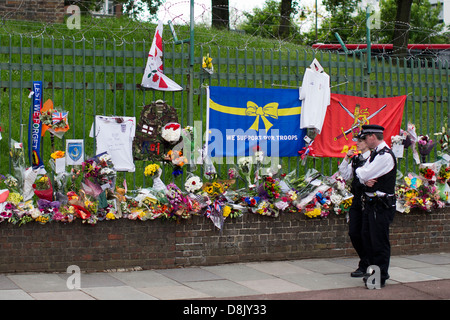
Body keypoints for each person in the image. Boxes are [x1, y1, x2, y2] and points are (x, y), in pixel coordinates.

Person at [355, 124, 397, 288]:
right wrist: (364, 177)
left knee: (379, 241)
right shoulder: (375, 155)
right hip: (371, 203)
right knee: (368, 239)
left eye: (364, 138)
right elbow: (360, 173)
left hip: (381, 205)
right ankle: (373, 272)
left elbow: (363, 173)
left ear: (372, 136)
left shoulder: (384, 156)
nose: (363, 141)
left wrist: (364, 177)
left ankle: (380, 276)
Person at [338, 136, 371, 278]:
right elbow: (346, 175)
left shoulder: (374, 158)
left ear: (368, 143)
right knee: (354, 232)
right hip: (357, 199)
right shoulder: (357, 159)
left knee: (366, 233)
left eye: (360, 141)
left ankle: (366, 264)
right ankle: (365, 260)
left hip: (369, 200)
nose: (357, 143)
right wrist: (346, 158)